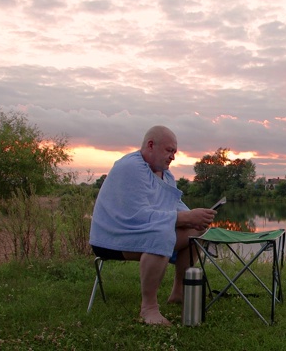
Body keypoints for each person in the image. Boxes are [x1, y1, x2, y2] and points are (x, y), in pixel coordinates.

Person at [89, 125, 216, 325]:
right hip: (114, 236)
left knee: (196, 231)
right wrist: (185, 218)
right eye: (169, 150)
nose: (173, 156)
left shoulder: (166, 175)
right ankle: (149, 308)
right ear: (150, 145)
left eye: (175, 152)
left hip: (140, 232)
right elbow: (139, 216)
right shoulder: (130, 167)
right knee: (161, 234)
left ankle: (179, 293)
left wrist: (197, 217)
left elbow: (175, 207)